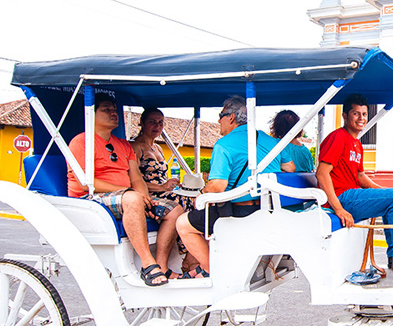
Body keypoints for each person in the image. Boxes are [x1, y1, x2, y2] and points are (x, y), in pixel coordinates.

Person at [67, 93, 182, 286]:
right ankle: (148, 263)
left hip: (126, 196)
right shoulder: (81, 142)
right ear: (92, 114)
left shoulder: (122, 145)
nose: (113, 113)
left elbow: (136, 177)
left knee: (175, 209)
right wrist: (131, 193)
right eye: (106, 110)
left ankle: (161, 265)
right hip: (91, 198)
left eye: (114, 110)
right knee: (132, 198)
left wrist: (146, 198)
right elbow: (84, 183)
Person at [176, 96, 295, 277]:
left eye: (221, 115)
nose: (218, 121)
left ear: (231, 118)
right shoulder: (270, 141)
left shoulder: (224, 144)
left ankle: (209, 268)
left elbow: (218, 186)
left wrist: (201, 193)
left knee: (183, 223)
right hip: (267, 211)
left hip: (238, 213)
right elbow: (290, 168)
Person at [316, 93, 393, 271]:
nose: (361, 118)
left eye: (364, 114)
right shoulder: (338, 137)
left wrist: (384, 191)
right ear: (345, 116)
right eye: (356, 113)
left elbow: (360, 176)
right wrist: (338, 208)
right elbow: (321, 174)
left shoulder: (356, 143)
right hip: (343, 197)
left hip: (353, 194)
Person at [130, 107, 197, 277]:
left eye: (160, 123)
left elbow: (162, 178)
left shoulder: (158, 148)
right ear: (142, 123)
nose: (157, 126)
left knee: (194, 199)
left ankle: (191, 254)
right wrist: (161, 188)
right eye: (152, 121)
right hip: (147, 194)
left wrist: (171, 184)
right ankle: (174, 261)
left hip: (164, 192)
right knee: (182, 201)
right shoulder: (135, 147)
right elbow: (133, 180)